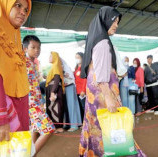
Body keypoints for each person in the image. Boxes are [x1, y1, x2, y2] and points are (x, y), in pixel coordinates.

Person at [79, 6, 146, 157]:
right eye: (113, 21)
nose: (116, 25)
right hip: (103, 93)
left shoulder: (95, 39)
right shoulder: (103, 42)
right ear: (104, 20)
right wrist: (109, 98)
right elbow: (102, 75)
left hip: (95, 93)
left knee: (98, 125)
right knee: (110, 126)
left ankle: (95, 152)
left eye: (117, 22)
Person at [0, 0, 31, 142]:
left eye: (26, 9)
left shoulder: (14, 37)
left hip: (19, 109)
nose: (23, 12)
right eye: (18, 5)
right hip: (3, 116)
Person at [23, 35, 55, 155]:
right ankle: (29, 154)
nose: (37, 50)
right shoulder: (23, 62)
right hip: (30, 103)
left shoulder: (34, 63)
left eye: (39, 48)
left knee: (35, 130)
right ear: (25, 48)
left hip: (37, 102)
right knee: (48, 129)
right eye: (33, 47)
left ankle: (32, 153)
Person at [46, 52, 65, 133]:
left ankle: (58, 126)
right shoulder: (53, 66)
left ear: (55, 57)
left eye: (51, 56)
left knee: (56, 108)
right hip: (51, 89)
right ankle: (54, 126)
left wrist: (53, 92)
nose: (49, 57)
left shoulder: (56, 66)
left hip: (54, 89)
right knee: (52, 107)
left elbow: (57, 80)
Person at [62, 58, 82, 132]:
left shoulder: (60, 65)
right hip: (70, 85)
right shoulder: (72, 67)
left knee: (72, 105)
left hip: (69, 85)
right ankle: (77, 123)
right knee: (74, 105)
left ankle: (74, 125)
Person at [74, 52, 87, 121]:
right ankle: (82, 122)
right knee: (80, 108)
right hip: (77, 91)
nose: (77, 59)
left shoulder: (84, 68)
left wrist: (83, 90)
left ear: (82, 58)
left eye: (78, 57)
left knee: (84, 107)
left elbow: (85, 80)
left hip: (82, 92)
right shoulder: (76, 69)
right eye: (76, 58)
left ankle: (86, 122)